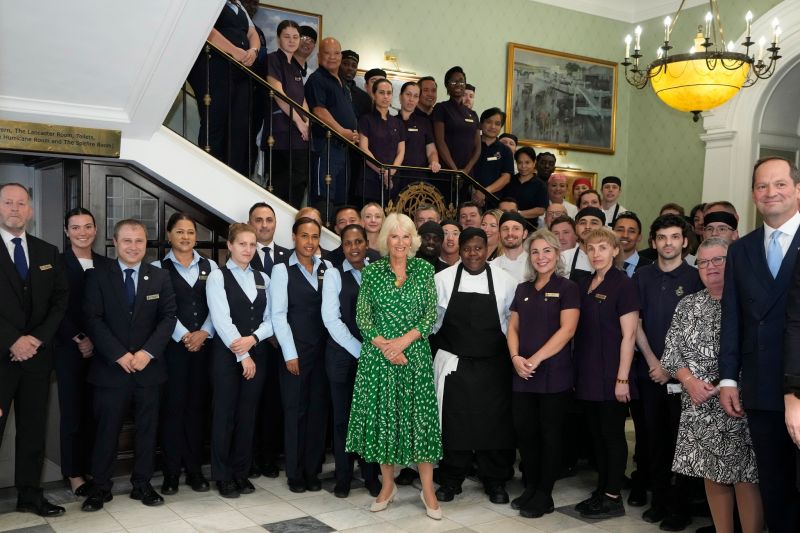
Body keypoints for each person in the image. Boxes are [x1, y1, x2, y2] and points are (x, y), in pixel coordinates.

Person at [720, 157, 800, 532]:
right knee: (775, 486)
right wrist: (729, 380)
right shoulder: (741, 250)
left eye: (780, 184)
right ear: (753, 195)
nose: (771, 193)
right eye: (763, 186)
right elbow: (732, 318)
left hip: (798, 385)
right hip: (760, 388)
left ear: (797, 189)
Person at [346, 213, 443, 520]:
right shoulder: (372, 272)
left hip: (414, 357)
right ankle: (388, 486)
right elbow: (363, 318)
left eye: (405, 236)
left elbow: (429, 316)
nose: (400, 242)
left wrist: (402, 343)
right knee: (385, 423)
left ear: (412, 240)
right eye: (394, 236)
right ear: (385, 240)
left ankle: (428, 489)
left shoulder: (424, 270)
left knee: (420, 423)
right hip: (379, 360)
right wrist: (386, 347)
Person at [662, 238, 763, 533]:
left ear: (732, 264)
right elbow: (670, 354)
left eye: (718, 260)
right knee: (711, 472)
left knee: (746, 474)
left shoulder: (749, 303)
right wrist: (689, 381)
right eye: (703, 262)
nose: (710, 267)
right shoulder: (689, 305)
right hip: (699, 405)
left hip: (739, 404)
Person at [81, 219, 177, 512]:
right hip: (111, 370)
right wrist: (120, 355)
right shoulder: (98, 276)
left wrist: (147, 353)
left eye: (139, 241)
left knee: (147, 430)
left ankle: (143, 485)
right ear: (114, 242)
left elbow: (168, 317)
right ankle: (100, 488)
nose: (133, 247)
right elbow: (92, 319)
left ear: (146, 244)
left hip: (149, 370)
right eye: (127, 241)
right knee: (106, 431)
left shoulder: (159, 276)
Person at [432, 227, 517, 504]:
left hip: (493, 366)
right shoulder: (442, 280)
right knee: (454, 426)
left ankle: (495, 481)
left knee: (494, 425)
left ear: (487, 249)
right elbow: (434, 323)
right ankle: (450, 480)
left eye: (478, 248)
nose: (472, 254)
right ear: (459, 248)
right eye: (466, 248)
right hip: (456, 366)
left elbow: (510, 324)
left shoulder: (506, 281)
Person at [0, 183, 68, 517]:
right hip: (1, 357)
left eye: (21, 203)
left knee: (32, 432)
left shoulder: (47, 251)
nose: (15, 209)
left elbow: (60, 301)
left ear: (30, 209)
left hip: (37, 360)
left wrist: (36, 339)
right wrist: (13, 339)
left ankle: (30, 495)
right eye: (8, 202)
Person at [633, 214, 703, 531]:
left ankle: (681, 507)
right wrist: (654, 363)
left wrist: (672, 367)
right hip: (650, 372)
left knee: (683, 441)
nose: (668, 243)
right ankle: (659, 500)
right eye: (662, 237)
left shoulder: (696, 276)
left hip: (686, 377)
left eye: (675, 237)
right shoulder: (642, 275)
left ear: (685, 241)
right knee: (653, 438)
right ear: (654, 242)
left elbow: (698, 332)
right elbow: (635, 322)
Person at [508, 230, 579, 519]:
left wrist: (535, 358)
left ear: (557, 254)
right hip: (523, 373)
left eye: (546, 251)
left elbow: (568, 330)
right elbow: (513, 327)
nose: (541, 257)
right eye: (535, 252)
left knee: (550, 435)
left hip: (553, 373)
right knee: (526, 434)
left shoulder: (568, 287)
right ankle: (532, 485)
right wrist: (515, 357)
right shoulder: (523, 289)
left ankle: (544, 493)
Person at [572, 227, 639, 519]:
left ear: (614, 250)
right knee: (595, 437)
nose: (596, 253)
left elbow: (630, 336)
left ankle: (613, 496)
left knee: (612, 435)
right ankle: (602, 489)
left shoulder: (623, 285)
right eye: (591, 248)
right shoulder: (585, 283)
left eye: (602, 247)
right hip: (586, 373)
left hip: (613, 374)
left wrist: (622, 378)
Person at [153, 213, 218, 495]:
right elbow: (160, 312)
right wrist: (184, 335)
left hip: (205, 349)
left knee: (197, 410)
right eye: (179, 232)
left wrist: (204, 332)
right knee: (172, 410)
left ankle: (194, 471)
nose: (186, 237)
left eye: (190, 232)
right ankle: (170, 473)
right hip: (172, 351)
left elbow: (219, 306)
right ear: (169, 235)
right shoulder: (157, 268)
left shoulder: (211, 266)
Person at [206, 223, 273, 498]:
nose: (247, 249)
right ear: (230, 246)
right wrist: (243, 354)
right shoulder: (217, 277)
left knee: (248, 416)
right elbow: (221, 321)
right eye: (242, 244)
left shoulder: (263, 278)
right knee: (225, 416)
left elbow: (272, 319)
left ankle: (240, 473)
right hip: (226, 355)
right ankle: (222, 476)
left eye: (252, 244)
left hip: (257, 352)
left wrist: (254, 339)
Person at [270, 217, 332, 493]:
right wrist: (289, 353)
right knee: (295, 413)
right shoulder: (282, 270)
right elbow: (278, 315)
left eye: (315, 236)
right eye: (304, 236)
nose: (309, 242)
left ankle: (311, 469)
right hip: (295, 352)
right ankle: (295, 472)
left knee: (318, 412)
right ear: (293, 237)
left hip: (323, 352)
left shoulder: (327, 268)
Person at [321, 224, 381, 498]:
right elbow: (331, 319)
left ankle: (370, 476)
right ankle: (343, 477)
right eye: (348, 243)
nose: (354, 247)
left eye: (359, 242)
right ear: (342, 247)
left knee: (369, 418)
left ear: (367, 243)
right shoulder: (333, 275)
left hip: (372, 356)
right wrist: (359, 350)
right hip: (342, 357)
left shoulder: (378, 272)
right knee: (342, 419)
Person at [55, 208, 109, 497]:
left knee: (96, 412)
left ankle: (92, 467)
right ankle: (74, 474)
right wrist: (79, 338)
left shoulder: (106, 264)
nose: (82, 232)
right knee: (73, 413)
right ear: (66, 231)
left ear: (96, 229)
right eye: (75, 227)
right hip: (69, 349)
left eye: (87, 226)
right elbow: (55, 308)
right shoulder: (57, 263)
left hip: (102, 352)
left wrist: (97, 341)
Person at [187, 0, 260, 176]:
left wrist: (254, 51)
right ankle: (208, 173)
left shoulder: (240, 5)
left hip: (240, 70)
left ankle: (231, 174)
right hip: (214, 63)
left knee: (238, 126)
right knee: (215, 122)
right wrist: (234, 51)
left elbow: (252, 33)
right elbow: (204, 29)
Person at [247, 202, 289, 478]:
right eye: (258, 220)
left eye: (269, 220)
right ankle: (249, 458)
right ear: (251, 223)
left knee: (276, 403)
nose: (264, 225)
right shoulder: (244, 254)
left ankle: (270, 457)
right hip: (253, 344)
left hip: (283, 345)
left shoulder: (289, 256)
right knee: (252, 404)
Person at [305, 37, 359, 222]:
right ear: (319, 57)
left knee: (340, 198)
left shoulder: (342, 83)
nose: (332, 57)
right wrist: (341, 131)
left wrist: (352, 133)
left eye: (336, 53)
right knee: (324, 197)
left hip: (343, 148)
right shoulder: (317, 79)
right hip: (326, 145)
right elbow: (319, 111)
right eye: (327, 53)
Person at [264, 20, 310, 208]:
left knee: (300, 180)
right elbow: (279, 94)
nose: (292, 41)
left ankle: (292, 218)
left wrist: (307, 121)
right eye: (287, 36)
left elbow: (302, 99)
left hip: (299, 131)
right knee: (282, 177)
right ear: (278, 38)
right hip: (281, 129)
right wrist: (299, 122)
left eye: (295, 37)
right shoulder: (273, 60)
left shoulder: (296, 67)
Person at [357, 78, 406, 205]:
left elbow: (401, 151)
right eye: (381, 92)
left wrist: (391, 172)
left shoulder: (398, 122)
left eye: (389, 93)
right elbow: (363, 149)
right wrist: (382, 171)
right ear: (373, 94)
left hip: (393, 177)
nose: (386, 96)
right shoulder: (365, 120)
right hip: (370, 177)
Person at [431, 66, 480, 180]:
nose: (458, 84)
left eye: (461, 81)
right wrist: (455, 170)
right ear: (447, 86)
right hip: (447, 171)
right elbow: (440, 141)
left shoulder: (473, 114)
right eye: (453, 81)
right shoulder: (441, 108)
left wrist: (466, 171)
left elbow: (478, 147)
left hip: (467, 174)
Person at [396, 81, 442, 196]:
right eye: (408, 94)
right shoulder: (392, 121)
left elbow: (431, 150)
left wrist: (434, 162)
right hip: (396, 177)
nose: (411, 99)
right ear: (400, 97)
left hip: (420, 179)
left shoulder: (424, 122)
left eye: (415, 96)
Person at [471, 108, 514, 208]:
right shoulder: (471, 145)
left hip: (493, 202)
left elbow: (506, 178)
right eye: (489, 122)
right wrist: (475, 193)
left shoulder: (505, 151)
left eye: (497, 124)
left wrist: (484, 192)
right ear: (481, 124)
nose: (493, 126)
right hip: (469, 198)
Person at [501, 146, 547, 227]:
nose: (523, 166)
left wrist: (518, 213)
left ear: (534, 162)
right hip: (506, 224)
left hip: (529, 228)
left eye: (527, 162)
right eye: (519, 162)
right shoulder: (509, 180)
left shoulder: (540, 185)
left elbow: (541, 210)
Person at [562, 208, 603, 284]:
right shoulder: (564, 257)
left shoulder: (609, 260)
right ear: (576, 228)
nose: (587, 227)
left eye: (594, 223)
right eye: (582, 223)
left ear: (603, 228)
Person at [492, 211, 529, 283]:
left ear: (524, 234)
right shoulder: (493, 266)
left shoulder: (534, 263)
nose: (510, 233)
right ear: (499, 234)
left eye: (516, 228)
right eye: (505, 229)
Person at [612, 211, 652, 278]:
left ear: (639, 237)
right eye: (620, 230)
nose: (625, 235)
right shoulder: (602, 263)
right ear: (612, 234)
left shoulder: (650, 267)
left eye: (631, 231)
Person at [339, 50, 371, 119]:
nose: (350, 68)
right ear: (338, 65)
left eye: (354, 66)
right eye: (345, 64)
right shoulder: (330, 87)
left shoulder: (365, 98)